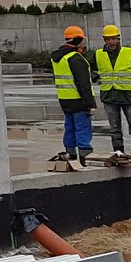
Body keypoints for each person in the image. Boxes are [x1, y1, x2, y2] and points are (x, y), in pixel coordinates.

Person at [94, 24, 131, 161]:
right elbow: (91, 69)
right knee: (115, 129)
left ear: (118, 39)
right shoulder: (98, 54)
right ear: (104, 40)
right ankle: (119, 155)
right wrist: (96, 77)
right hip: (109, 96)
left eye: (113, 39)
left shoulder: (129, 52)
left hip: (127, 96)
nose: (111, 42)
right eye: (108, 39)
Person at [50, 24, 96, 167]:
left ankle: (71, 155)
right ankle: (85, 157)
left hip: (65, 100)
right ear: (77, 40)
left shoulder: (57, 58)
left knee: (69, 127)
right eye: (82, 39)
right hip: (78, 100)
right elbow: (83, 84)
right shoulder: (75, 58)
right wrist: (90, 103)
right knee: (82, 128)